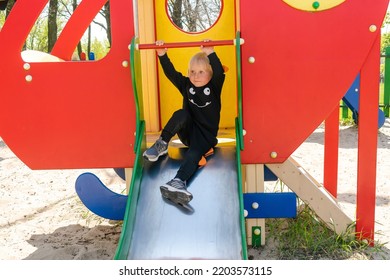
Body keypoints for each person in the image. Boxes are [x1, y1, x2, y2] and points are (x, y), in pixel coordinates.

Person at [143, 39, 226, 207]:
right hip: (188, 133)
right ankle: (162, 143)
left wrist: (210, 52)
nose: (195, 76)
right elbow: (171, 74)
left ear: (210, 74)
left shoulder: (215, 86)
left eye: (201, 72)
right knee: (181, 114)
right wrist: (162, 55)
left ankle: (177, 181)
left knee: (194, 155)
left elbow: (219, 72)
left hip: (205, 137)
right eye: (192, 71)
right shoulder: (187, 85)